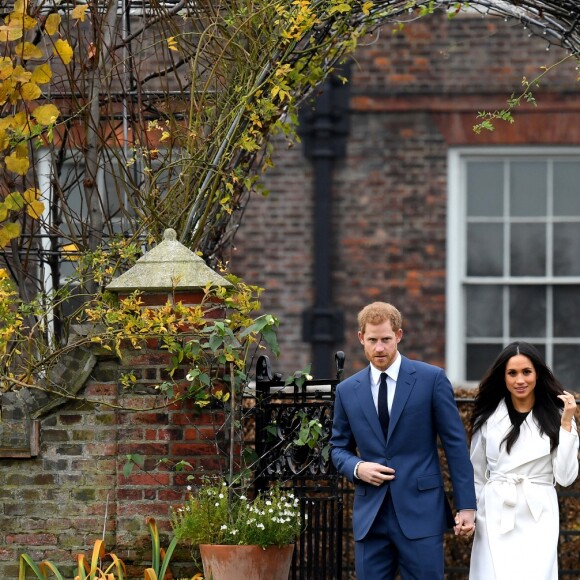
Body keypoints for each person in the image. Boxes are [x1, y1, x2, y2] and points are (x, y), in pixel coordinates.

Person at [330, 301, 476, 579]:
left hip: (421, 512)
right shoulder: (347, 391)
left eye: (386, 339)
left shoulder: (431, 379)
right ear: (361, 338)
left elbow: (455, 445)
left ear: (398, 335)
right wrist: (358, 468)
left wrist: (466, 506)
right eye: (372, 340)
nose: (380, 348)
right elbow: (338, 448)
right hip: (370, 517)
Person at [469, 341, 579, 580]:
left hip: (538, 511)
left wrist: (567, 424)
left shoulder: (559, 416)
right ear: (503, 377)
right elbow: (476, 472)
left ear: (537, 374)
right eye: (512, 373)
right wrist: (474, 512)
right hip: (495, 511)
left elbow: (565, 477)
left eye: (526, 372)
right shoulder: (488, 417)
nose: (520, 380)